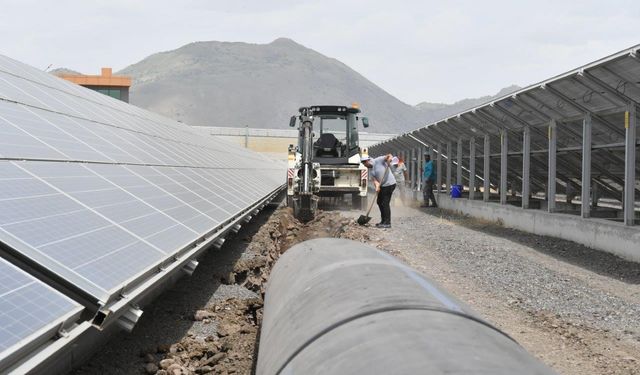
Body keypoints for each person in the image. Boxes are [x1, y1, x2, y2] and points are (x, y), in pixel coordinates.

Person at [361, 154, 396, 228]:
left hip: (389, 184)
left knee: (384, 203)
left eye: (364, 163)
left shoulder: (378, 160)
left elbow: (389, 155)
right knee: (379, 202)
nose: (364, 165)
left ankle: (387, 223)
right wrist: (377, 186)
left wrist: (389, 159)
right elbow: (375, 180)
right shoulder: (371, 171)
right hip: (382, 186)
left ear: (367, 160)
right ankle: (383, 221)